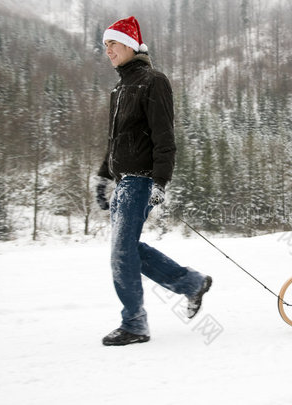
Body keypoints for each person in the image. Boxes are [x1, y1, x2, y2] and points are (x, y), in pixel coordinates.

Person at [95, 16, 212, 346]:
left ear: (131, 45)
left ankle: (134, 323)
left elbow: (165, 136)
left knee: (121, 254)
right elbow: (114, 140)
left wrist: (161, 180)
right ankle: (191, 283)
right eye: (105, 45)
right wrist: (103, 176)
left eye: (113, 44)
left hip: (140, 179)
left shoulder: (153, 81)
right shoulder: (119, 89)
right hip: (122, 181)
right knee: (128, 249)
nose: (108, 51)